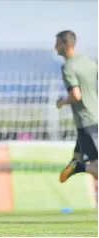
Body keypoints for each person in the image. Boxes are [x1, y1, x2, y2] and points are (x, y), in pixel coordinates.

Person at [55, 30, 98, 183]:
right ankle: (76, 161)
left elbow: (76, 95)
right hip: (94, 116)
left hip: (88, 121)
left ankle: (78, 166)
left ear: (66, 46)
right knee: (85, 157)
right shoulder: (90, 62)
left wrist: (61, 102)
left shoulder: (68, 67)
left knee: (94, 164)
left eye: (58, 44)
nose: (55, 47)